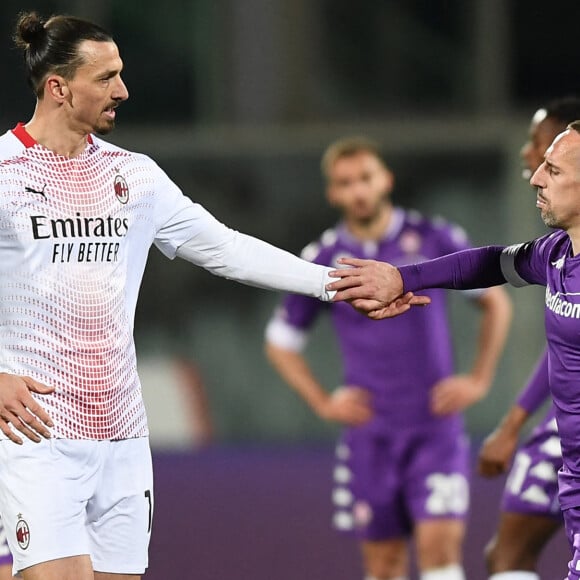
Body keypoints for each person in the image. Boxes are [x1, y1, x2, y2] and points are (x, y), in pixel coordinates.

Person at [0, 12, 428, 580]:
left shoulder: (138, 177)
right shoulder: (5, 171)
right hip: (37, 430)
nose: (123, 90)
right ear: (58, 87)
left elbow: (227, 249)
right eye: (106, 78)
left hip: (122, 432)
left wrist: (334, 284)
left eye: (121, 74)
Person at [326, 120, 580, 580]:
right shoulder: (557, 253)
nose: (537, 177)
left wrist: (487, 388)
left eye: (553, 169)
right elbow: (490, 263)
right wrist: (403, 277)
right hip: (572, 471)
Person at [264, 136, 512, 580]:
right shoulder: (323, 259)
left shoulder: (436, 238)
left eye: (365, 178)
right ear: (332, 193)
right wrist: (323, 402)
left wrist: (478, 379)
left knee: (440, 552)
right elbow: (281, 341)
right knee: (384, 565)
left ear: (386, 180)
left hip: (433, 426)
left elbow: (494, 303)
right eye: (346, 182)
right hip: (370, 434)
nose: (358, 190)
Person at [478, 98, 580, 580]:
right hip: (561, 429)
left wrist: (513, 422)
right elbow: (563, 348)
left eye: (541, 148)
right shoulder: (557, 251)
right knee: (505, 556)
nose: (529, 157)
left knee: (506, 556)